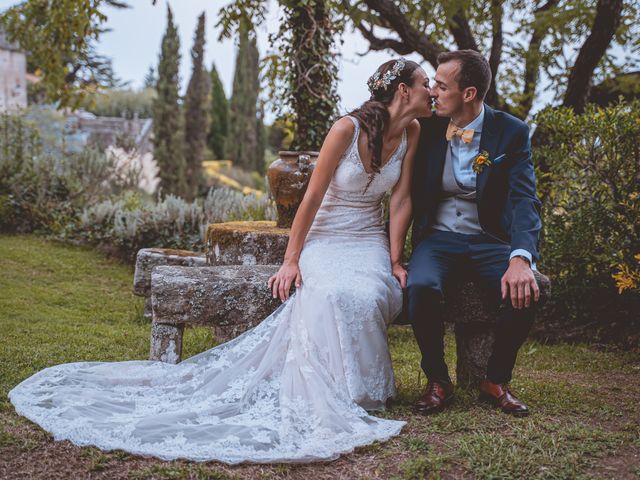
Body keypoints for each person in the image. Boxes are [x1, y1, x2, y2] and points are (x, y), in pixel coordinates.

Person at [8, 58, 431, 463]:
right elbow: (312, 197)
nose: (431, 90)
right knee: (333, 292)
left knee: (372, 291)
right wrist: (290, 260)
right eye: (425, 83)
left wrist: (395, 259)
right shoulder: (345, 128)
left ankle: (365, 390)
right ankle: (342, 391)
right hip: (326, 236)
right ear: (402, 90)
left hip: (366, 239)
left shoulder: (412, 131)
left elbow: (401, 200)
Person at [408, 49, 542, 417]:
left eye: (441, 85)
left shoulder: (510, 131)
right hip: (437, 238)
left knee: (530, 286)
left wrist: (520, 257)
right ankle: (437, 380)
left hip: (488, 239)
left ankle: (496, 380)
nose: (432, 91)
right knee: (419, 287)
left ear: (468, 94)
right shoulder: (427, 126)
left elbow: (524, 199)